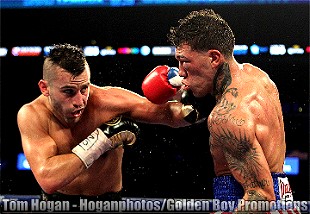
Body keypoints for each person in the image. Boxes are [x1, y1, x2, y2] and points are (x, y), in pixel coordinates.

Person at [16, 43, 200, 209]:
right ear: (45, 88)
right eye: (69, 92)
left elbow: (171, 115)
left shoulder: (109, 102)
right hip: (56, 204)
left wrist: (197, 98)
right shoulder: (33, 115)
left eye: (84, 88)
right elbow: (48, 179)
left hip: (106, 204)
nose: (79, 101)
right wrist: (103, 138)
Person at [166, 8, 296, 212]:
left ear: (214, 58)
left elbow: (261, 197)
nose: (181, 72)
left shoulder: (226, 118)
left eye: (185, 62)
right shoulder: (258, 77)